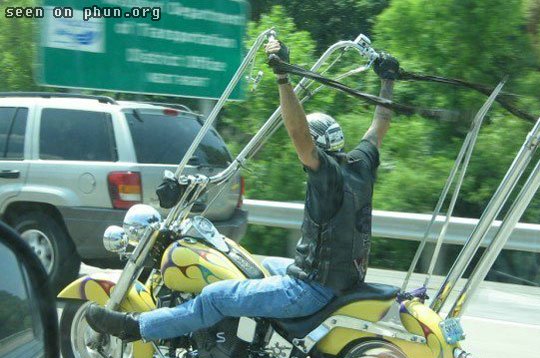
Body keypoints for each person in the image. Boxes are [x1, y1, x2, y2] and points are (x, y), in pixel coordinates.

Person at [85, 38, 399, 342]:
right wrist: (388, 81)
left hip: (311, 290)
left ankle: (137, 328)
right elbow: (379, 125)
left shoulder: (325, 174)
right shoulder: (361, 164)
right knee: (259, 266)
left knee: (213, 296)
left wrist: (282, 78)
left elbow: (298, 132)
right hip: (342, 280)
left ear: (315, 147)